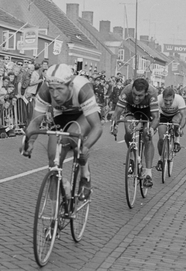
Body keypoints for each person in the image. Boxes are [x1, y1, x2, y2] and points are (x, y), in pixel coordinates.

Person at [22, 63, 103, 200]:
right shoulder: (44, 91)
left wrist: (86, 147)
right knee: (53, 159)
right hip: (61, 114)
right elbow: (35, 121)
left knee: (73, 136)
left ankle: (85, 178)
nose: (55, 94)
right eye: (51, 89)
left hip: (84, 114)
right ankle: (58, 202)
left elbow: (97, 127)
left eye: (59, 89)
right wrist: (29, 142)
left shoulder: (82, 88)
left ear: (70, 85)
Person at [111, 78, 159, 188]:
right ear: (132, 89)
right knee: (128, 130)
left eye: (140, 95)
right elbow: (117, 112)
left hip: (148, 112)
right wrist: (114, 125)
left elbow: (156, 117)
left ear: (146, 93)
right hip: (131, 111)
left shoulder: (152, 93)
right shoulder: (126, 91)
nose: (136, 98)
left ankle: (148, 174)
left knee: (147, 136)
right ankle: (133, 158)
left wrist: (151, 129)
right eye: (134, 94)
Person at [156, 88, 186, 164]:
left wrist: (180, 128)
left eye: (170, 100)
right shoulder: (158, 99)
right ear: (162, 97)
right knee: (161, 139)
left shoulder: (179, 99)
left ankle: (177, 140)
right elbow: (155, 115)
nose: (168, 102)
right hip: (163, 115)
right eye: (166, 100)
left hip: (176, 115)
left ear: (174, 97)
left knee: (175, 122)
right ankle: (160, 159)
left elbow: (184, 116)